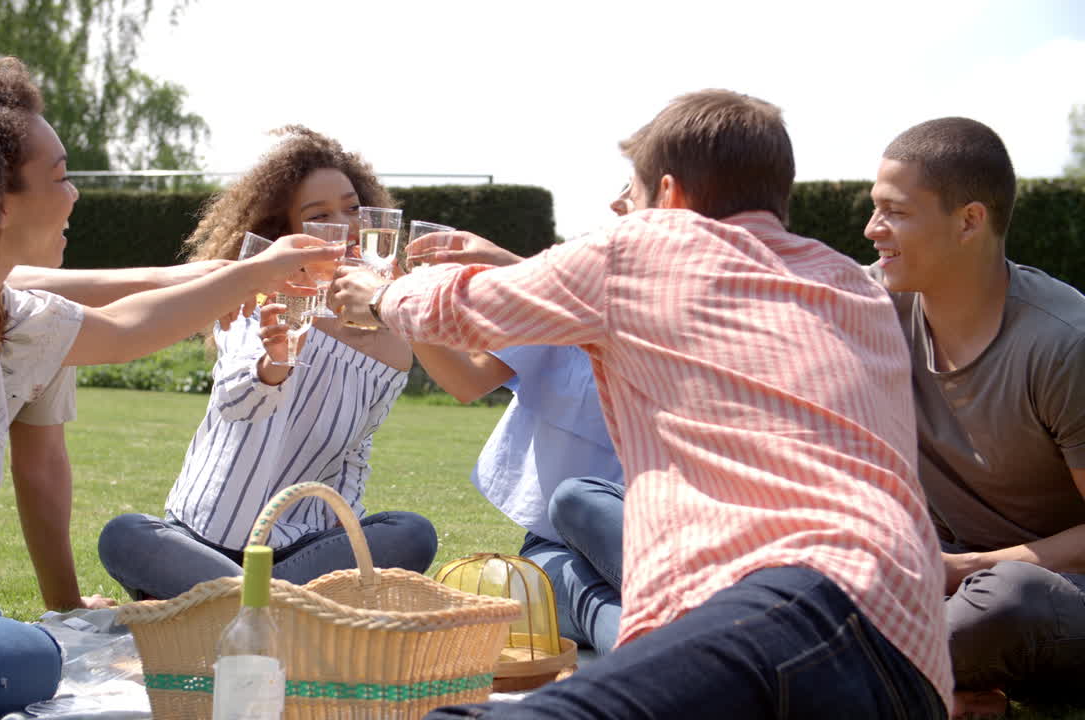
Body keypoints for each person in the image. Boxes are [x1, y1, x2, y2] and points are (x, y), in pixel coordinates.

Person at [333, 89, 951, 718]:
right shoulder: (855, 289)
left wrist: (378, 293)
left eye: (632, 191)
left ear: (671, 195)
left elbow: (455, 310)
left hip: (788, 608)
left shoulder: (646, 247)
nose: (619, 209)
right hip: (912, 652)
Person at [0, 58, 340, 720]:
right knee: (39, 655)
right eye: (59, 177)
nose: (75, 193)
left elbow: (124, 318)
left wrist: (253, 271)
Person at [97, 126, 437, 600]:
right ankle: (279, 610)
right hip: (200, 540)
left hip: (302, 551)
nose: (347, 225)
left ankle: (234, 607)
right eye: (320, 217)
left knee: (412, 533)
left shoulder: (393, 336)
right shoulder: (257, 296)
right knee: (124, 535)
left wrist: (349, 543)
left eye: (353, 208)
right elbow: (236, 397)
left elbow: (353, 458)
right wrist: (272, 365)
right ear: (285, 234)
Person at [865, 117, 1085, 717]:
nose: (871, 229)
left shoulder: (1063, 344)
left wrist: (965, 567)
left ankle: (871, 670)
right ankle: (935, 686)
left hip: (1042, 595)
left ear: (969, 221)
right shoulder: (874, 306)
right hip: (936, 578)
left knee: (1010, 600)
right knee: (588, 500)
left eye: (895, 212)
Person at [408, 223, 627, 654]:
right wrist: (404, 311)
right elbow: (468, 379)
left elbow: (612, 325)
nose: (618, 203)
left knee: (576, 499)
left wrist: (511, 266)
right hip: (551, 542)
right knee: (579, 595)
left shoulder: (684, 303)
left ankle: (683, 641)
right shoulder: (568, 283)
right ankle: (675, 657)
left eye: (633, 188)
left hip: (649, 526)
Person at [6, 260, 228, 612]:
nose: (75, 200)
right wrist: (238, 279)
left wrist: (66, 607)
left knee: (7, 639)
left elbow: (42, 465)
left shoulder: (37, 321)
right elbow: (121, 330)